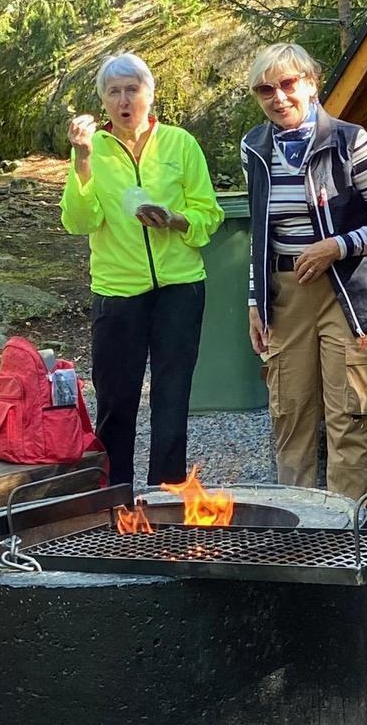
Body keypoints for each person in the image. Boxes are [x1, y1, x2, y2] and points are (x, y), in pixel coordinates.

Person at [241, 43, 367, 502]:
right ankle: (298, 522)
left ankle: (346, 524)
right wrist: (255, 301)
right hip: (285, 294)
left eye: (288, 83)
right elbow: (259, 232)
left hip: (350, 292)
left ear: (311, 84)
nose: (279, 97)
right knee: (290, 413)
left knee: (350, 414)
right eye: (266, 89)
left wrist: (338, 246)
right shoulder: (254, 148)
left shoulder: (350, 141)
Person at [60, 52, 224, 486]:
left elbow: (209, 214)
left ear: (149, 95)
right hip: (117, 291)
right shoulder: (92, 149)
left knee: (172, 400)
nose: (124, 100)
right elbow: (79, 221)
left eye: (132, 90)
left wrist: (175, 220)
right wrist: (81, 161)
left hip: (180, 289)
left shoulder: (180, 143)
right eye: (113, 92)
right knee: (116, 402)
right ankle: (115, 500)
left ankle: (166, 498)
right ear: (103, 101)